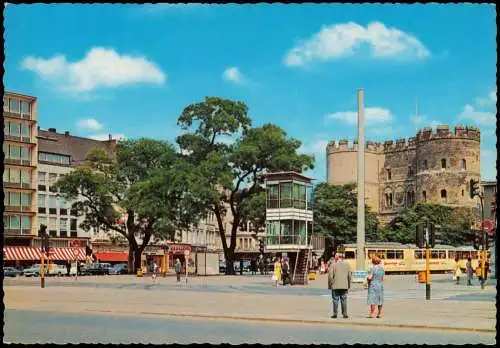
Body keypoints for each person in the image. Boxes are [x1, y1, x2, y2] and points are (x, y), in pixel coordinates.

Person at [327, 254, 351, 319]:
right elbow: (349, 276)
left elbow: (330, 277)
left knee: (335, 300)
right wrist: (348, 285)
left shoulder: (333, 265)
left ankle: (335, 314)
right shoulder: (347, 265)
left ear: (336, 258)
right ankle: (345, 314)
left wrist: (330, 285)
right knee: (344, 300)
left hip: (335, 285)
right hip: (344, 286)